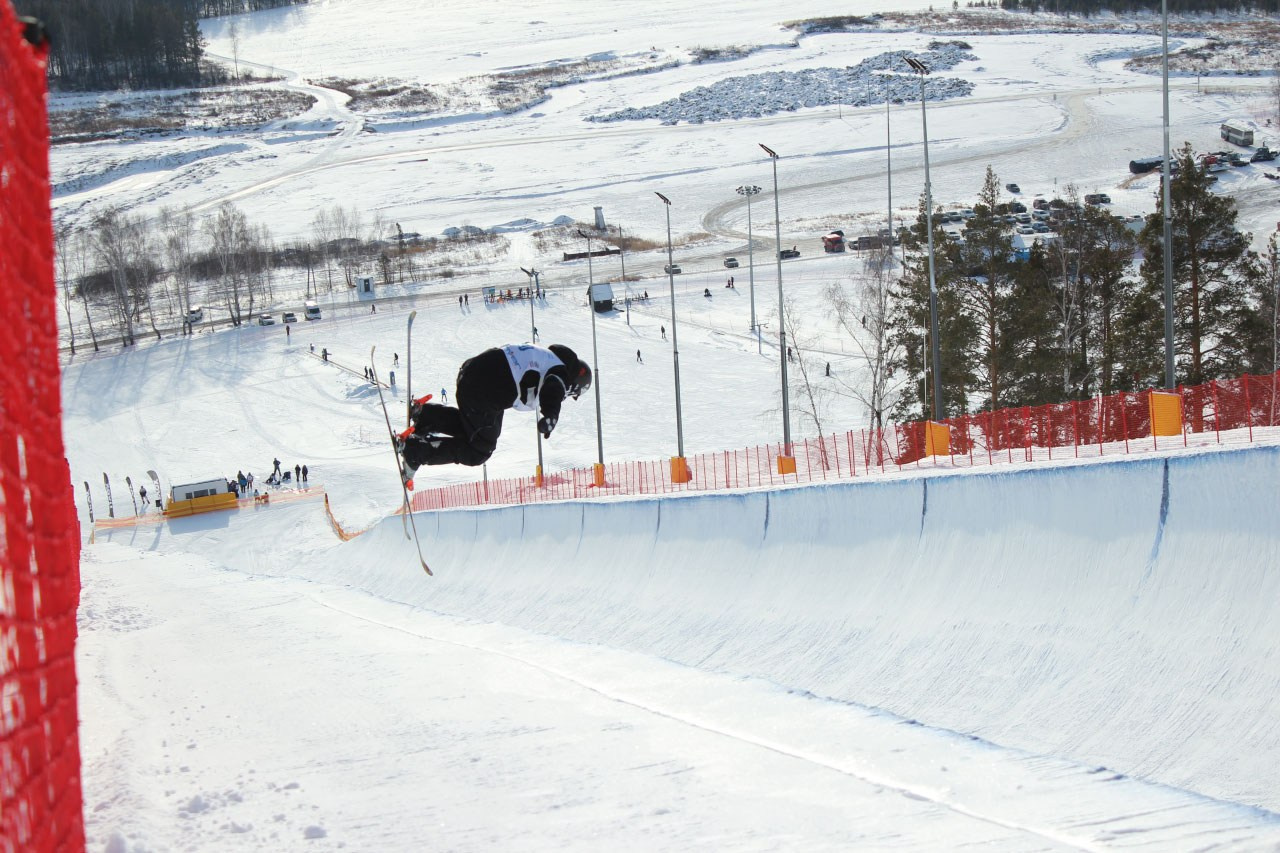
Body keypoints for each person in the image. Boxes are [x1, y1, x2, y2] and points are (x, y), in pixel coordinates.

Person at [395, 343, 591, 485]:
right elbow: (554, 387)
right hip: (485, 389)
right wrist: (551, 414)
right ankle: (414, 452)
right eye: (572, 394)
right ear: (575, 386)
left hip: (477, 376)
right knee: (480, 450)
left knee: (477, 430)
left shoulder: (550, 358)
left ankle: (425, 415)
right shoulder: (562, 373)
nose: (567, 396)